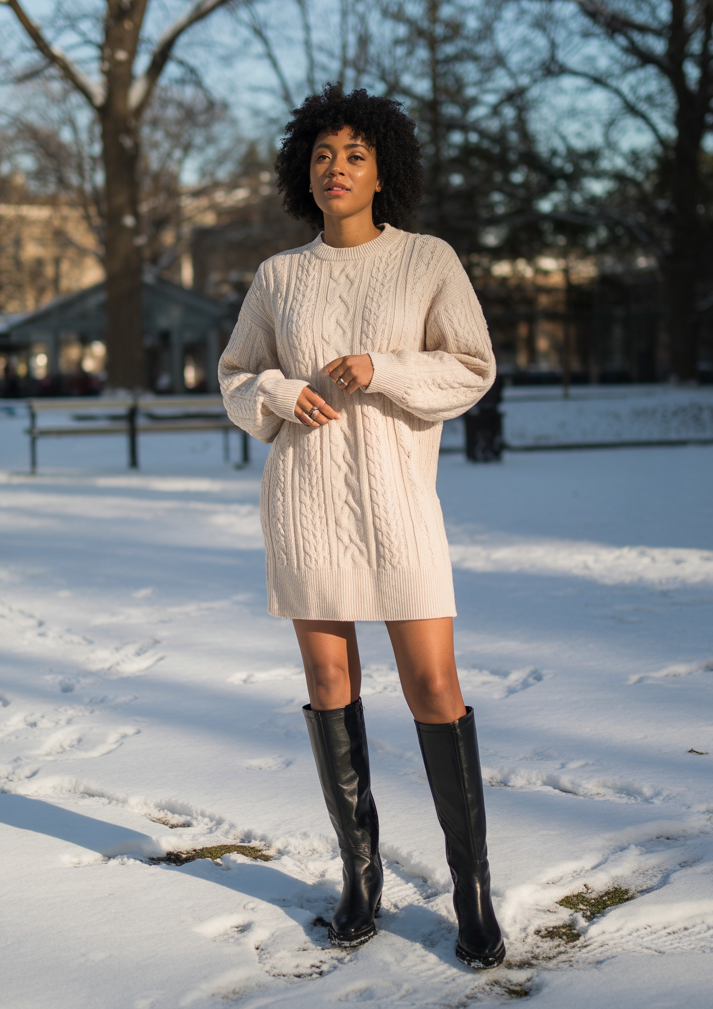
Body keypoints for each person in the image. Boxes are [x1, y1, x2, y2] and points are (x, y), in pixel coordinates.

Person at [219, 83, 505, 971]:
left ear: (383, 169)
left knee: (433, 684)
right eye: (321, 155)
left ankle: (472, 890)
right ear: (302, 172)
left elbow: (472, 368)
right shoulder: (279, 276)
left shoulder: (427, 261)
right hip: (306, 505)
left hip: (399, 507)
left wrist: (381, 367)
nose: (335, 169)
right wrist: (274, 391)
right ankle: (361, 874)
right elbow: (234, 377)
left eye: (353, 154)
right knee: (329, 679)